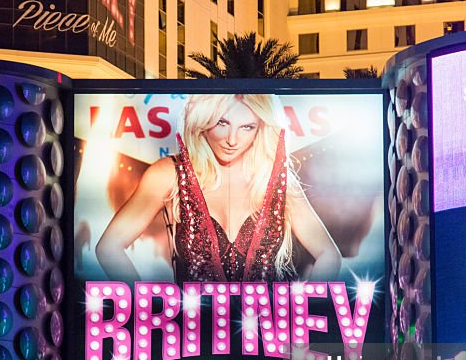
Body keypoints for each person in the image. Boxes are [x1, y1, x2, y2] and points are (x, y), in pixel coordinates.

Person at [95, 94, 341, 283]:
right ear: (203, 121)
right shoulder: (169, 174)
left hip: (266, 337)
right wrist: (147, 311)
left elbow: (329, 255)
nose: (232, 140)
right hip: (193, 337)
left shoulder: (277, 180)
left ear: (261, 129)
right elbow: (109, 247)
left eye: (247, 127)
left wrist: (300, 313)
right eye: (222, 123)